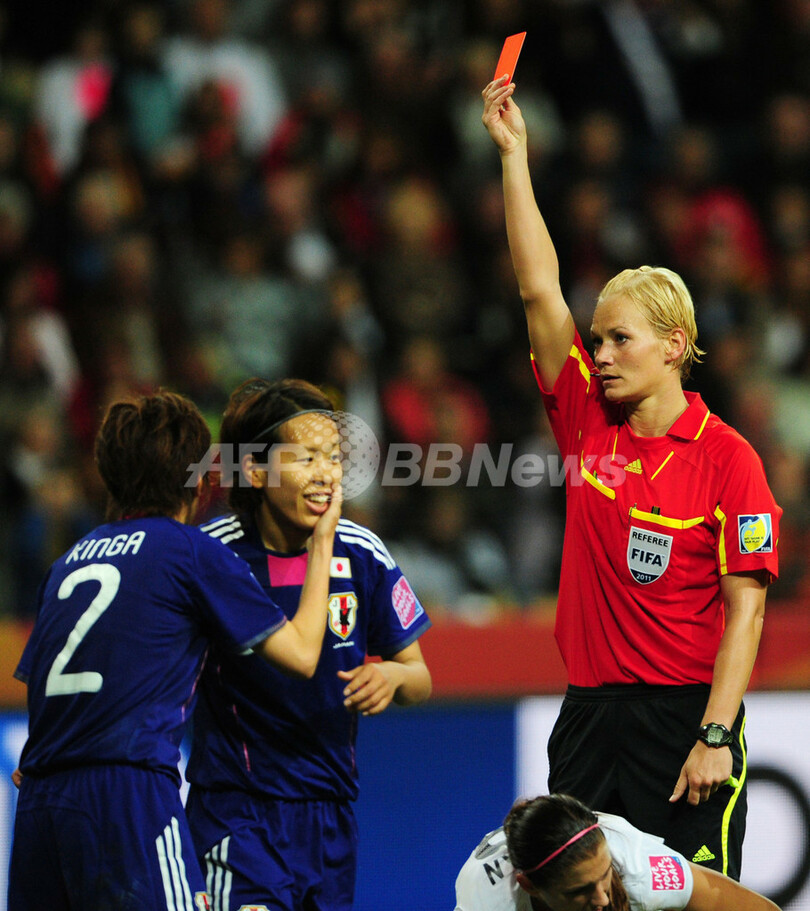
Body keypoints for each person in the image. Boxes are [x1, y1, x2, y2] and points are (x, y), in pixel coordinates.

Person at [482, 75, 782, 880]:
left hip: (685, 717)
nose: (601, 354)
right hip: (588, 717)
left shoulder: (730, 459)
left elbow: (745, 611)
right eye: (597, 340)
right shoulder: (585, 420)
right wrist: (515, 158)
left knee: (703, 900)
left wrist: (715, 734)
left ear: (674, 345)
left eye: (619, 339)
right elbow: (537, 287)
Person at [8, 390, 341, 910]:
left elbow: (39, 679)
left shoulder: (68, 561)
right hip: (127, 796)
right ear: (199, 478)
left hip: (40, 798)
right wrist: (324, 542)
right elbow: (301, 654)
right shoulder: (189, 551)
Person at [186, 377, 433, 910]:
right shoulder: (211, 557)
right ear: (254, 470)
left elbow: (420, 678)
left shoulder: (361, 551)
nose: (325, 474)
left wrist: (392, 676)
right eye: (306, 458)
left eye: (333, 457)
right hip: (239, 811)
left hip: (330, 814)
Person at [454, 793, 781, 911]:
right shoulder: (486, 897)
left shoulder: (641, 872)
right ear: (529, 886)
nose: (602, 899)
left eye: (603, 875)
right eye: (580, 890)